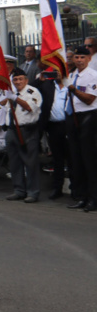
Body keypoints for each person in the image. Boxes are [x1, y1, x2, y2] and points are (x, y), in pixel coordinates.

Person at [1, 68, 42, 202]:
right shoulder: (12, 92)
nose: (18, 82)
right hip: (12, 130)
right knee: (14, 162)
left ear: (26, 80)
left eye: (20, 79)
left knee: (30, 162)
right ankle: (19, 190)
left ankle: (33, 192)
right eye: (15, 79)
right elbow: (0, 105)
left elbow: (30, 107)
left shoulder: (32, 92)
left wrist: (15, 98)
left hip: (27, 130)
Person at [65, 46, 97, 212]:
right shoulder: (72, 75)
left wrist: (74, 90)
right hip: (73, 118)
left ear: (89, 59)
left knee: (89, 161)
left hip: (88, 118)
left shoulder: (92, 76)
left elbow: (89, 99)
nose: (78, 60)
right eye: (76, 57)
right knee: (77, 161)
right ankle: (82, 197)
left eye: (82, 57)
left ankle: (94, 198)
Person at [37, 67, 68, 200]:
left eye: (60, 71)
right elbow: (31, 88)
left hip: (69, 126)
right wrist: (40, 79)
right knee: (57, 159)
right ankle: (57, 188)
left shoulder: (70, 85)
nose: (58, 74)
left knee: (74, 158)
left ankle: (77, 189)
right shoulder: (47, 85)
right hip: (54, 127)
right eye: (56, 71)